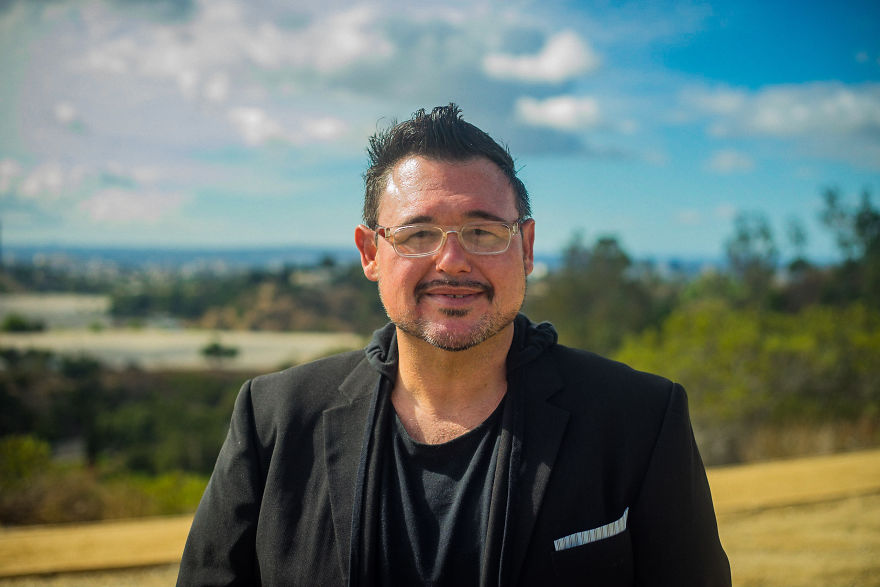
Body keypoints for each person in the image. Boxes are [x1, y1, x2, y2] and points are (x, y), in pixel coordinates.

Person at [177, 104, 731, 586]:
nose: (452, 261)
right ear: (370, 253)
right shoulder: (273, 417)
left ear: (527, 247)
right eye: (418, 234)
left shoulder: (639, 417)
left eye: (483, 232)